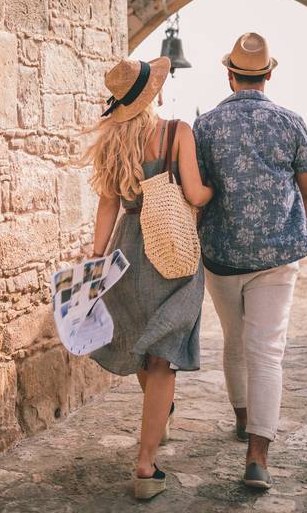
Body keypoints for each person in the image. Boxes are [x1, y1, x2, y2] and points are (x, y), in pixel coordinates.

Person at [83, 56, 214, 500]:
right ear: (153, 93)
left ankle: (158, 423)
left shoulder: (112, 143)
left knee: (144, 345)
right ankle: (144, 464)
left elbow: (107, 207)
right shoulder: (177, 132)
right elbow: (195, 193)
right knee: (162, 357)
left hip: (126, 252)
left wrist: (96, 260)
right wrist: (213, 191)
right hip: (171, 249)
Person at [192, 33, 307, 489]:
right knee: (267, 351)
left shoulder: (204, 126)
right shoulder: (291, 122)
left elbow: (198, 194)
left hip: (222, 256)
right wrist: (286, 226)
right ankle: (257, 456)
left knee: (234, 340)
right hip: (278, 256)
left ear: (229, 75)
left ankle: (243, 419)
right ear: (269, 74)